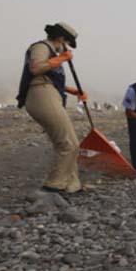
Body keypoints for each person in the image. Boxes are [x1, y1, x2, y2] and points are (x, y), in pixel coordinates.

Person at [16, 22, 87, 194]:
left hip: (49, 93)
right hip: (41, 95)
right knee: (68, 143)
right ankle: (54, 184)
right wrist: (62, 59)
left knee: (67, 141)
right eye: (67, 44)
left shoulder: (53, 54)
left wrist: (73, 91)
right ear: (61, 39)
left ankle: (72, 184)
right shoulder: (41, 47)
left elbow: (52, 79)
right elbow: (35, 69)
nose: (67, 48)